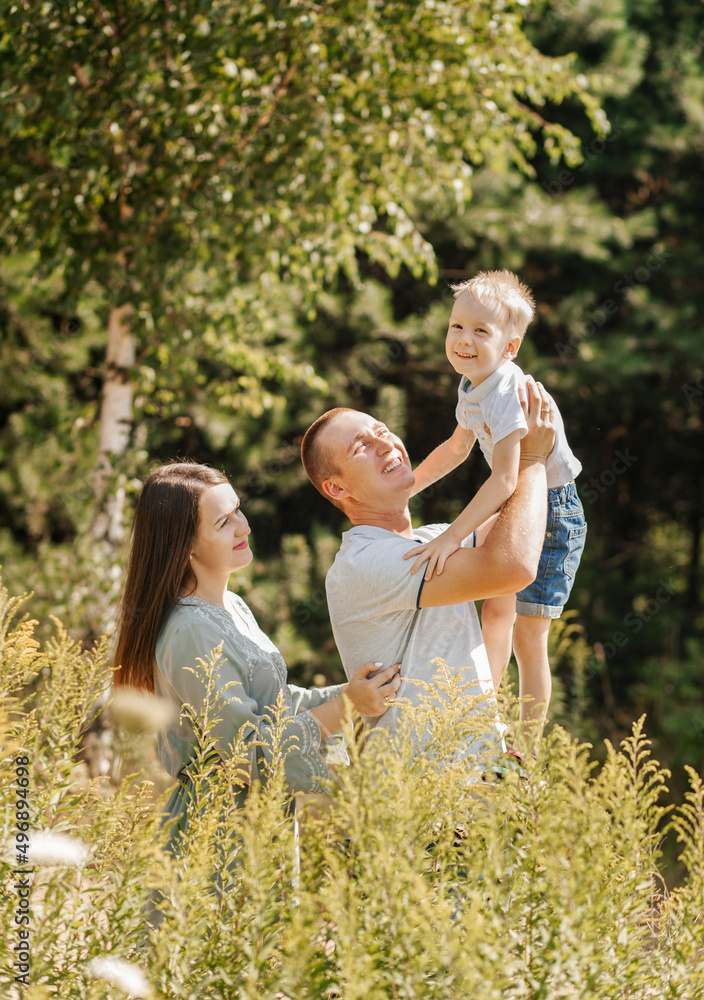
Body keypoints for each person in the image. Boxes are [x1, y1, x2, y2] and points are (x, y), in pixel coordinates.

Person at [113, 462, 400, 846]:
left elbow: (274, 704)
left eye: (237, 510)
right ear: (186, 544)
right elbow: (245, 754)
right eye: (223, 523)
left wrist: (356, 693)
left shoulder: (230, 606)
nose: (244, 526)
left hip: (261, 822)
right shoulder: (191, 631)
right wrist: (347, 706)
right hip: (218, 833)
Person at [300, 379, 556, 767]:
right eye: (361, 447)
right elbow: (513, 565)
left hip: (471, 786)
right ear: (336, 488)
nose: (385, 444)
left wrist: (509, 426)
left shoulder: (431, 543)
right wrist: (532, 461)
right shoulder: (365, 562)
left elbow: (523, 522)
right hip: (418, 801)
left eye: (382, 431)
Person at [405, 270, 587, 738]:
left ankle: (525, 750)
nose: (463, 339)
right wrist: (406, 487)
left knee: (530, 637)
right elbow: (456, 448)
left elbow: (507, 478)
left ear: (510, 347)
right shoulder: (471, 384)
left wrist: (450, 536)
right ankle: (483, 722)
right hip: (518, 503)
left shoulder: (506, 391)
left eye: (480, 331)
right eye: (456, 326)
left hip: (549, 511)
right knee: (494, 612)